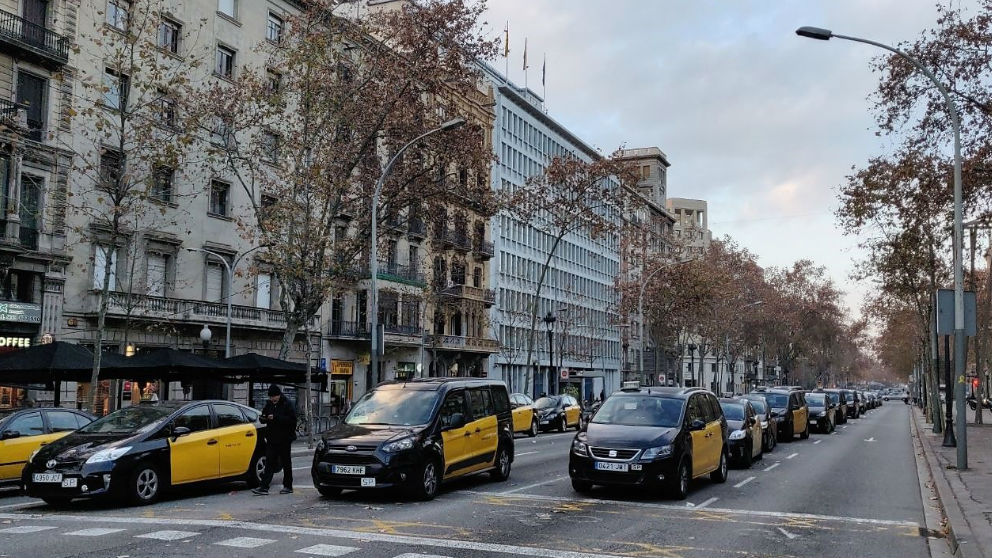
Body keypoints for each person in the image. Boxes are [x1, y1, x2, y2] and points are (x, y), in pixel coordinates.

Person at [253, 384, 297, 495]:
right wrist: (264, 418)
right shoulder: (269, 404)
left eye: (273, 397)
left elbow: (292, 420)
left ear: (278, 395)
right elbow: (263, 416)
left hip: (284, 438)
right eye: (270, 397)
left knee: (286, 462)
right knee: (269, 462)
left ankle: (288, 486)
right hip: (272, 438)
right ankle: (264, 487)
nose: (272, 399)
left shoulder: (287, 404)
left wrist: (276, 418)